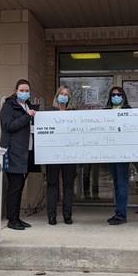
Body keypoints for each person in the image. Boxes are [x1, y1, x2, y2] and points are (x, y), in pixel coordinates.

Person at [0, 79, 36, 231]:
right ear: (16, 90)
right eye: (22, 90)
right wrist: (27, 116)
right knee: (14, 187)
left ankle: (17, 217)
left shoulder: (28, 105)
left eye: (27, 90)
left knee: (20, 186)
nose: (25, 93)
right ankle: (11, 220)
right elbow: (8, 126)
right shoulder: (8, 106)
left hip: (25, 151)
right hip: (13, 151)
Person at [45, 85, 77, 225]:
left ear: (69, 98)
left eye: (66, 94)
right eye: (61, 94)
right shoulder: (48, 112)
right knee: (52, 184)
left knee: (68, 185)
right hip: (53, 154)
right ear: (57, 96)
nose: (64, 96)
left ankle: (67, 215)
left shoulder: (74, 113)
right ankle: (51, 216)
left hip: (70, 154)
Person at [105, 86, 131, 225]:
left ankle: (121, 215)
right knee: (116, 184)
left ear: (123, 96)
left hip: (123, 154)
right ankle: (118, 212)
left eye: (119, 94)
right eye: (113, 94)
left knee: (122, 184)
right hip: (110, 153)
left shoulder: (129, 111)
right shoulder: (105, 112)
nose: (116, 97)